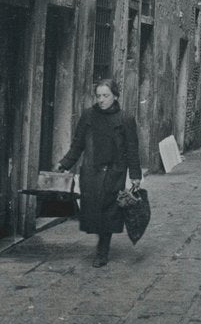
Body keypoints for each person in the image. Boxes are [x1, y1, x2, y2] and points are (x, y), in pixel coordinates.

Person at [55, 79, 141, 268]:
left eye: (106, 96)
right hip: (91, 172)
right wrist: (65, 164)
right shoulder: (88, 116)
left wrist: (135, 175)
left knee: (109, 211)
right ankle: (102, 241)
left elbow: (132, 149)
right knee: (93, 211)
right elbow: (78, 144)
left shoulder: (125, 119)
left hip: (114, 172)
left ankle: (103, 250)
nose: (101, 100)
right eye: (98, 96)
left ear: (115, 96)